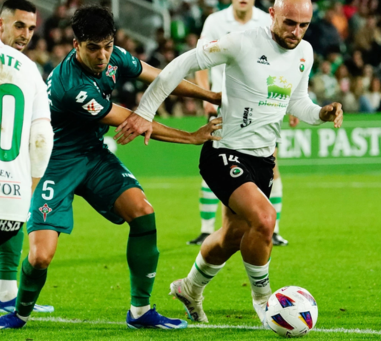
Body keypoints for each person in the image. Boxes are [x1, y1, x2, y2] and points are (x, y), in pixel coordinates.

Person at [0, 5, 222, 330]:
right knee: (40, 257)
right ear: (76, 45)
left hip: (92, 154)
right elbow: (133, 121)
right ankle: (19, 313)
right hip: (55, 162)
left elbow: (162, 78)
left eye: (107, 45)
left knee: (143, 213)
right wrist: (190, 137)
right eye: (93, 48)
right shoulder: (70, 86)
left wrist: (211, 95)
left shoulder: (113, 54)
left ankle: (141, 311)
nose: (103, 55)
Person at [123, 0, 342, 325]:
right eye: (289, 23)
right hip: (223, 150)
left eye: (303, 26)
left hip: (263, 159)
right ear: (272, 14)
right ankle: (265, 302)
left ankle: (189, 287)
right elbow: (183, 63)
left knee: (232, 237)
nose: (296, 32)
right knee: (265, 219)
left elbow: (297, 103)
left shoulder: (304, 52)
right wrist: (145, 111)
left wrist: (321, 113)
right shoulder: (242, 42)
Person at [191, 0, 292, 247]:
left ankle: (274, 229)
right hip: (223, 106)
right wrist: (205, 95)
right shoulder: (215, 21)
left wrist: (289, 102)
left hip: (261, 108)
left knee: (272, 165)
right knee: (216, 163)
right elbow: (200, 61)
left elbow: (282, 65)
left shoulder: (268, 21)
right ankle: (206, 230)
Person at [0, 0, 54, 315]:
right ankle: (8, 295)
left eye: (31, 28)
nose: (26, 35)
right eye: (20, 25)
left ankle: (7, 295)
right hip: (12, 198)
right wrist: (29, 186)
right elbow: (42, 139)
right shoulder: (32, 72)